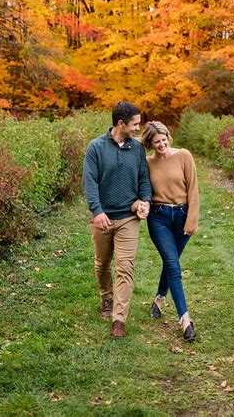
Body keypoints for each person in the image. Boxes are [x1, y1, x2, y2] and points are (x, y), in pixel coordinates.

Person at [83, 100, 152, 339]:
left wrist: (145, 201)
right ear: (121, 123)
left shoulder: (137, 149)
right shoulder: (96, 148)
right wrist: (97, 211)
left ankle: (119, 319)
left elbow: (144, 178)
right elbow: (90, 181)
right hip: (103, 218)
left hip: (128, 219)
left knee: (125, 267)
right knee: (102, 264)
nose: (137, 129)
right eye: (135, 124)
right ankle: (106, 298)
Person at [139, 120, 199, 342]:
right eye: (156, 142)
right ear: (150, 144)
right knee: (173, 264)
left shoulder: (184, 155)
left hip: (182, 216)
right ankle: (185, 319)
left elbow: (193, 189)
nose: (162, 144)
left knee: (170, 261)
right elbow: (143, 189)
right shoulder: (147, 163)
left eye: (164, 140)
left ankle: (158, 299)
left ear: (168, 138)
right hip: (159, 218)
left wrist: (191, 220)